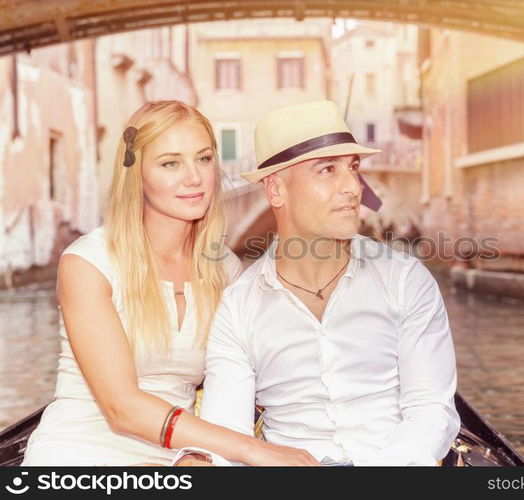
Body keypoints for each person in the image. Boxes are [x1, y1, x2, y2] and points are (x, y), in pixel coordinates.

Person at [22, 100, 317, 466]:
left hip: (181, 455)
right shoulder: (88, 262)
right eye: (170, 163)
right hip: (82, 449)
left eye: (204, 158)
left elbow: (248, 383)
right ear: (137, 174)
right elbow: (122, 408)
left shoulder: (226, 271)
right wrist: (254, 450)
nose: (194, 178)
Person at [200, 100, 460, 466]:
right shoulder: (238, 306)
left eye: (353, 168)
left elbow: (430, 410)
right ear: (275, 190)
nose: (353, 188)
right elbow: (226, 432)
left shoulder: (405, 280)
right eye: (327, 170)